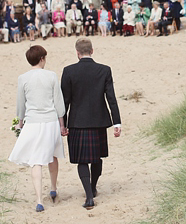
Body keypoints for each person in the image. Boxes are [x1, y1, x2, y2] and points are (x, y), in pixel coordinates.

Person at [61, 38, 122, 209]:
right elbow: (111, 98)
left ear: (77, 53)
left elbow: (64, 102)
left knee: (82, 160)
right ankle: (93, 187)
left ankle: (89, 196)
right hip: (99, 121)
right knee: (97, 158)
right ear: (92, 51)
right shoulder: (104, 70)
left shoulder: (68, 71)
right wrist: (117, 122)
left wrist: (62, 124)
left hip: (77, 122)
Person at [9, 46, 66, 213]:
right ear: (42, 58)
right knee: (52, 155)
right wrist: (62, 123)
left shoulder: (23, 78)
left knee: (36, 160)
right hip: (50, 121)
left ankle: (39, 200)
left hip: (33, 122)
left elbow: (21, 104)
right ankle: (53, 188)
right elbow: (58, 103)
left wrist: (20, 122)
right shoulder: (52, 76)